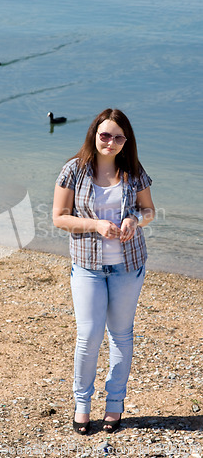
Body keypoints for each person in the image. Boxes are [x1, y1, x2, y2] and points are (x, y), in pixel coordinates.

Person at [53, 108, 155, 435]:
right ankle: (82, 405)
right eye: (105, 135)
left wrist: (134, 220)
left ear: (126, 141)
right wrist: (95, 225)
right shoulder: (74, 170)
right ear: (95, 133)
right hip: (87, 266)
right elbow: (59, 217)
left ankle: (115, 405)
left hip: (128, 265)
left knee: (121, 335)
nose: (110, 142)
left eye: (118, 137)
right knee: (89, 335)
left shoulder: (133, 170)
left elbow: (148, 210)